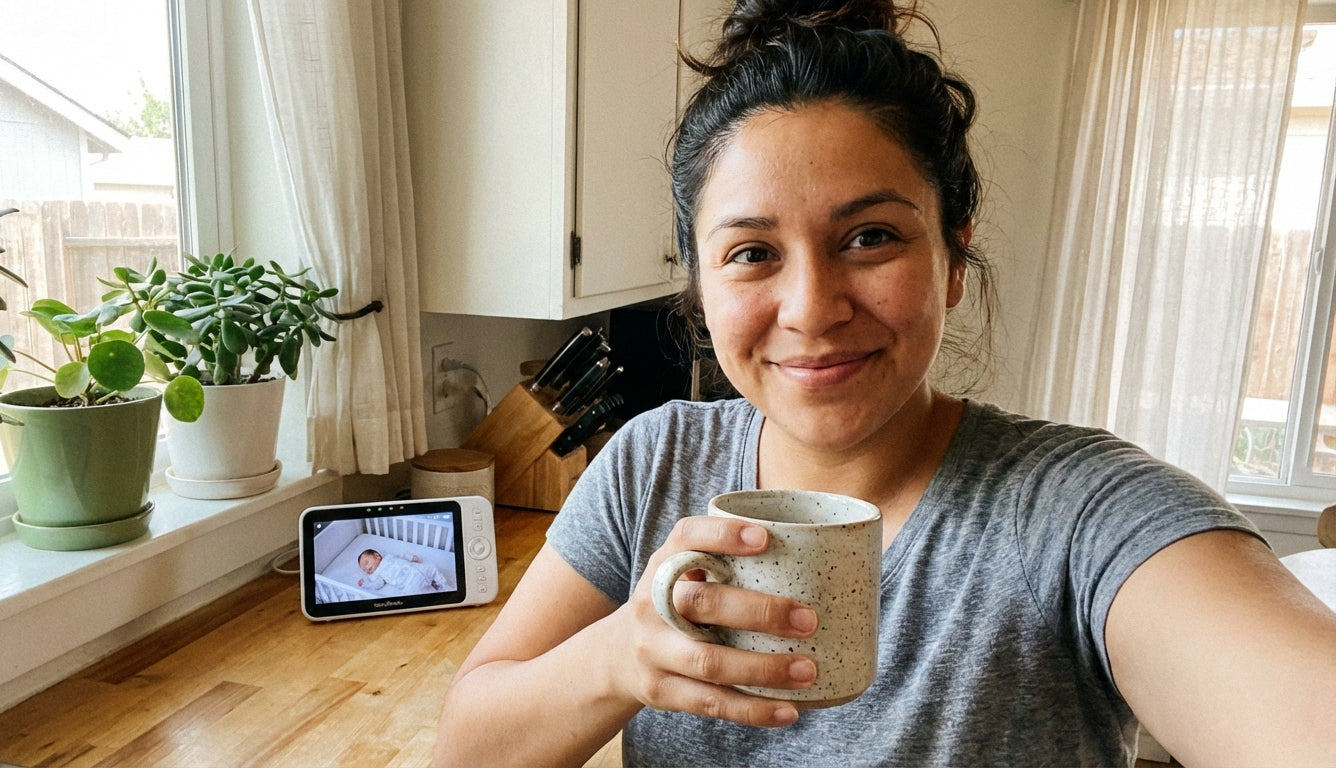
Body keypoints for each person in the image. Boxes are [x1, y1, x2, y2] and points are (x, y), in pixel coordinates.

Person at [435, 1, 1336, 765]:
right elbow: (464, 746)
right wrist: (615, 661)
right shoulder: (651, 464)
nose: (812, 307)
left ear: (952, 257)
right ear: (701, 286)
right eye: (751, 254)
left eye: (870, 237)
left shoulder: (1077, 511)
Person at [356, 548, 453, 593]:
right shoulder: (378, 574)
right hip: (409, 583)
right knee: (416, 593)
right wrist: (365, 583)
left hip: (417, 568)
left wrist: (411, 557)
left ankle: (444, 586)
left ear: (377, 556)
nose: (366, 569)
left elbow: (402, 555)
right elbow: (377, 585)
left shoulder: (389, 557)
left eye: (366, 563)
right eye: (364, 570)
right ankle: (440, 595)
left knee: (433, 568)